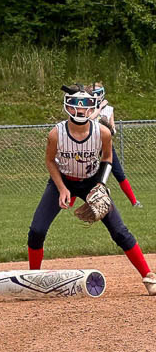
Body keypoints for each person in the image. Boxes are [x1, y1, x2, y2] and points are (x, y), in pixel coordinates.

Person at [27, 87, 156, 296]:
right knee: (37, 231)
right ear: (67, 106)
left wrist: (101, 185)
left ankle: (149, 276)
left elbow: (107, 159)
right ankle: (33, 281)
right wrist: (61, 189)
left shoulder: (102, 133)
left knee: (119, 231)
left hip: (92, 182)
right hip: (64, 180)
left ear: (93, 108)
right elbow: (50, 161)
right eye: (75, 106)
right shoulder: (56, 133)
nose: (80, 111)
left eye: (85, 106)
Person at [87, 81, 142, 208]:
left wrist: (110, 127)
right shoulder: (88, 108)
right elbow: (88, 120)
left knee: (119, 173)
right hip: (90, 145)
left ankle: (134, 201)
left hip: (106, 145)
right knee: (82, 175)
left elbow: (114, 130)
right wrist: (99, 108)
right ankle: (69, 204)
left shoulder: (109, 109)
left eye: (98, 93)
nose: (96, 96)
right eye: (93, 94)